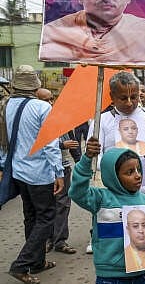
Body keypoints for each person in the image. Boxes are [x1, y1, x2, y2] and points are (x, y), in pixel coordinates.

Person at [93, 71, 145, 284]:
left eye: (134, 96)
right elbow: (96, 155)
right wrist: (110, 168)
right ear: (111, 96)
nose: (130, 102)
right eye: (123, 98)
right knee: (121, 244)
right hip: (114, 198)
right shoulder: (101, 120)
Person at [2, 66, 64, 284]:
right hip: (39, 173)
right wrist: (59, 172)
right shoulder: (42, 107)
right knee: (46, 218)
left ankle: (37, 262)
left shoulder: (7, 105)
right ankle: (20, 265)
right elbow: (50, 144)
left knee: (31, 217)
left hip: (19, 171)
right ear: (36, 85)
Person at [69, 139, 145, 283]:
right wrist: (87, 159)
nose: (138, 175)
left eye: (139, 169)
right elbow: (77, 192)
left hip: (140, 273)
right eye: (130, 172)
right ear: (113, 176)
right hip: (110, 276)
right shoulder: (101, 198)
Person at [35, 88, 80, 255]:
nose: (50, 103)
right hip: (43, 169)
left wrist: (81, 164)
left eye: (51, 99)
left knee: (63, 204)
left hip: (63, 167)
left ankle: (60, 240)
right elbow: (39, 143)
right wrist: (62, 145)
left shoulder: (62, 119)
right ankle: (46, 240)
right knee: (47, 205)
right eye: (45, 100)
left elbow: (72, 141)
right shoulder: (35, 119)